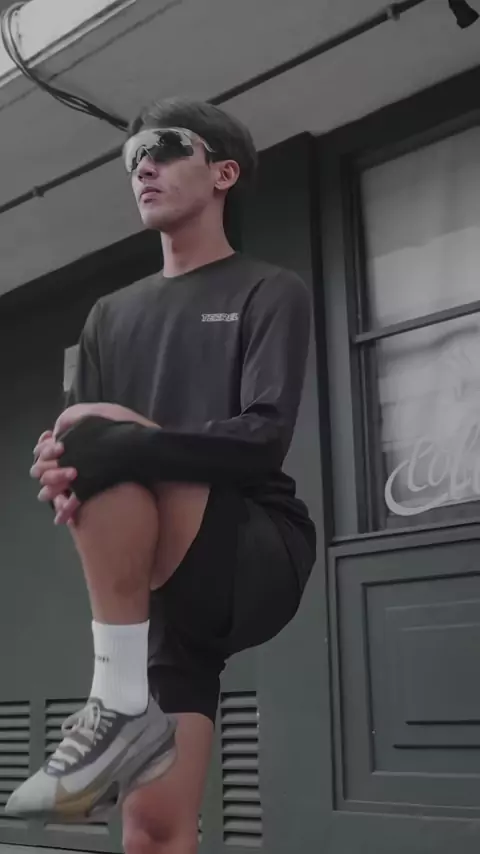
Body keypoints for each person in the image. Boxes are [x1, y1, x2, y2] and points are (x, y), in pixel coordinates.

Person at [6, 99, 316, 853]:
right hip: (156, 593)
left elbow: (262, 439)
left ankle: (116, 703)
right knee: (151, 830)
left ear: (223, 173)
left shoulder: (268, 290)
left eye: (167, 148)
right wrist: (63, 468)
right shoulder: (108, 316)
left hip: (247, 548)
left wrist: (108, 446)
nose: (143, 166)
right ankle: (124, 706)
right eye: (132, 157)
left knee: (91, 428)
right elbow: (96, 458)